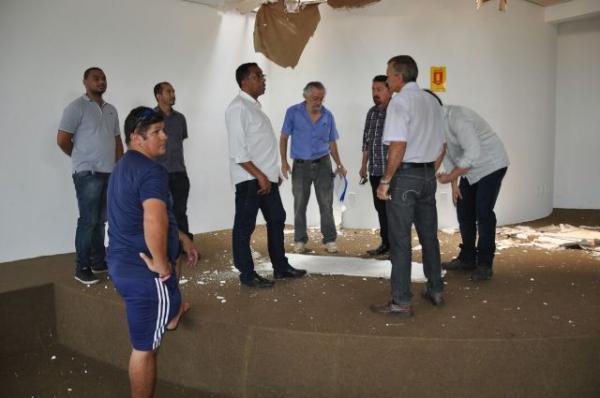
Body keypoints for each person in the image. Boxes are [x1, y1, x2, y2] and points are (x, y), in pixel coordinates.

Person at [107, 107, 199, 398]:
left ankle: (171, 313)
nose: (165, 136)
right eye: (157, 132)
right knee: (143, 350)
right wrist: (160, 264)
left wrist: (182, 238)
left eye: (164, 129)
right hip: (144, 275)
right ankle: (170, 312)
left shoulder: (122, 166)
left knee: (168, 304)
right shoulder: (152, 171)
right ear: (136, 138)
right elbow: (153, 219)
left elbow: (145, 214)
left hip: (122, 263)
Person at [371, 55, 447, 317]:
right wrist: (429, 171)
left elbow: (398, 145)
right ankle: (435, 289)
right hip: (427, 175)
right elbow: (442, 144)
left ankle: (401, 301)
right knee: (428, 236)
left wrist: (386, 181)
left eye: (389, 74)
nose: (387, 79)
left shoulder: (400, 101)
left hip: (404, 177)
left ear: (399, 76)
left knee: (400, 240)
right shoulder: (430, 100)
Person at [225, 62, 306, 288]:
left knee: (277, 218)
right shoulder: (238, 107)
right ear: (245, 81)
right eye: (258, 76)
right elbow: (238, 152)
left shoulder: (253, 107)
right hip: (250, 179)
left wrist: (272, 173)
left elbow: (259, 145)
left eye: (261, 75)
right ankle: (247, 274)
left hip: (264, 178)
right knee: (244, 227)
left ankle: (280, 267)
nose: (263, 79)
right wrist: (260, 175)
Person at [57, 67, 124, 285]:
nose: (101, 81)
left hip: (109, 172)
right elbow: (62, 140)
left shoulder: (111, 110)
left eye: (104, 77)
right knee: (88, 221)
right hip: (88, 173)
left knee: (101, 221)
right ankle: (82, 267)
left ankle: (98, 261)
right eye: (96, 78)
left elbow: (117, 142)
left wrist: (120, 168)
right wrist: (80, 158)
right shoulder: (76, 108)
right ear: (85, 82)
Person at [435, 102, 509, 281]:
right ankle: (467, 258)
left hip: (491, 165)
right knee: (464, 211)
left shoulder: (457, 118)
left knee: (483, 212)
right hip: (469, 170)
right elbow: (448, 153)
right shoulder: (435, 124)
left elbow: (473, 152)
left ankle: (484, 264)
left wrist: (451, 176)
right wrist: (454, 185)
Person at [280, 82, 347, 254]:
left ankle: (329, 239)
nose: (319, 101)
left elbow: (332, 142)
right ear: (306, 97)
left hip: (323, 163)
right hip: (300, 165)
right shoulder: (293, 112)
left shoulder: (328, 116)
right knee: (300, 203)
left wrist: (339, 164)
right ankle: (300, 240)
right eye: (315, 98)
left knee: (326, 203)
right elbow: (284, 137)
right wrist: (284, 161)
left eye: (321, 98)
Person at [153, 81, 192, 279]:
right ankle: (164, 249)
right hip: (160, 173)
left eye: (173, 91)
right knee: (162, 213)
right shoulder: (151, 118)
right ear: (159, 95)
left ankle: (185, 247)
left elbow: (179, 142)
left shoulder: (180, 119)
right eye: (169, 91)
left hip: (179, 172)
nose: (173, 94)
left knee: (180, 211)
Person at [359, 75, 393, 256]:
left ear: (389, 90)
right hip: (374, 170)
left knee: (394, 211)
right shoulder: (371, 113)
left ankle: (396, 247)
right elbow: (367, 141)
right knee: (381, 209)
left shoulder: (396, 111)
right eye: (373, 89)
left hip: (391, 172)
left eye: (379, 89)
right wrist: (363, 165)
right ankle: (386, 244)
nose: (375, 93)